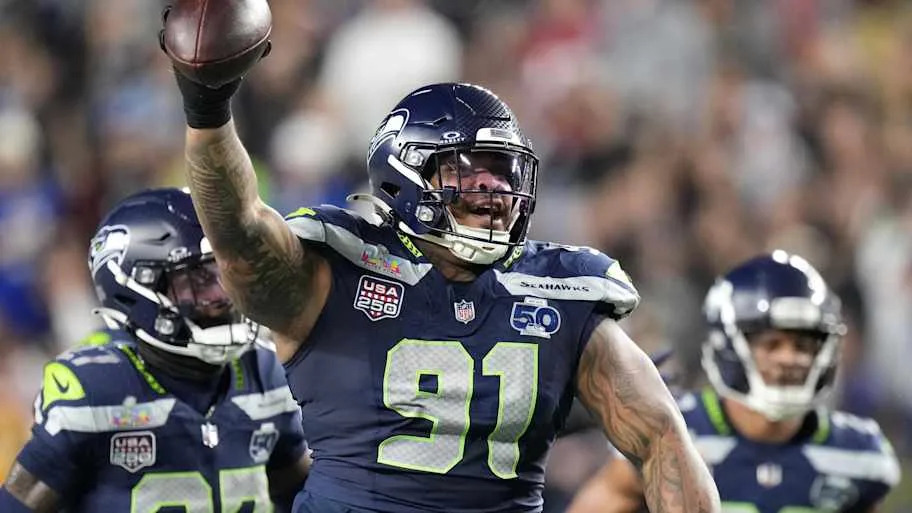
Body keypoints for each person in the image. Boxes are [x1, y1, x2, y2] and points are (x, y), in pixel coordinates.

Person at [162, 22, 720, 512]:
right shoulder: (334, 266)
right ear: (405, 176)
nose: (494, 191)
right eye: (470, 172)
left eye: (504, 174)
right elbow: (238, 233)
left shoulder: (559, 289)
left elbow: (661, 438)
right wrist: (207, 110)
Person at [0, 188, 310, 512]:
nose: (223, 295)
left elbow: (302, 498)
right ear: (135, 288)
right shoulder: (97, 390)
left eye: (227, 275)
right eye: (198, 281)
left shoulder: (263, 373)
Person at [567, 251, 901, 513]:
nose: (790, 359)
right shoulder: (671, 433)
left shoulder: (860, 455)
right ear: (728, 345)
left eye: (802, 345)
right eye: (772, 344)